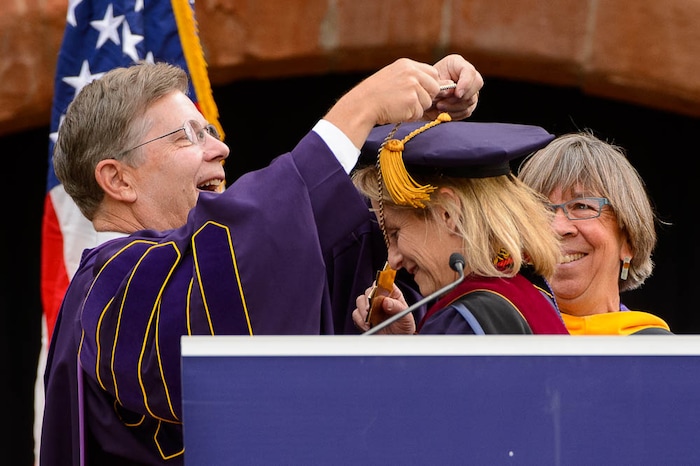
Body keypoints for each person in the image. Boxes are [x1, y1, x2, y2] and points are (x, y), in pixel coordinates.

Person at [40, 56, 483, 464]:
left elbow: (305, 242)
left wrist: (410, 127)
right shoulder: (111, 284)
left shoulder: (185, 272)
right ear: (118, 179)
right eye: (187, 137)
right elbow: (240, 263)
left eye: (209, 131)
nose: (221, 149)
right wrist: (361, 109)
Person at [350, 115, 570, 335]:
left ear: (449, 214)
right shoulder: (530, 291)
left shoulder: (463, 320)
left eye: (395, 233)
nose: (393, 260)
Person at [517, 130, 672, 335]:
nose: (558, 228)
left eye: (581, 206)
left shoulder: (659, 351)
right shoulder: (493, 338)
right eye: (542, 210)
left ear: (628, 240)